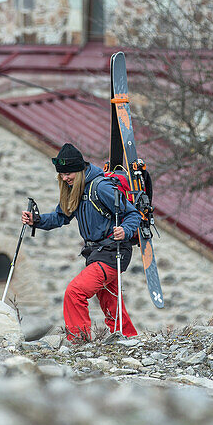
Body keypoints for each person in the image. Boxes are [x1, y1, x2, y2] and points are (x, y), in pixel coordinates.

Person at [21, 143, 141, 342]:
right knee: (109, 299)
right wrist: (37, 220)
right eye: (61, 174)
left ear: (80, 169)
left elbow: (132, 214)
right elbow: (61, 217)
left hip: (113, 251)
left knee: (75, 292)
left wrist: (125, 230)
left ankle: (79, 341)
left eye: (69, 173)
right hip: (96, 253)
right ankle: (128, 337)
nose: (65, 177)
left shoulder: (101, 187)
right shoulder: (74, 189)